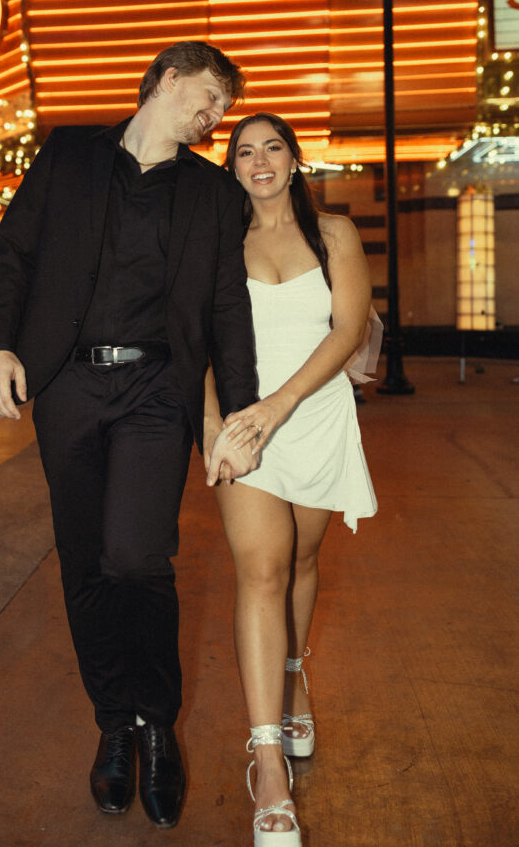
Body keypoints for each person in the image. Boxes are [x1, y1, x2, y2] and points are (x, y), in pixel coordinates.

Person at [0, 42, 258, 830]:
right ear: (166, 79)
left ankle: (157, 723)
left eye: (221, 111)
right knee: (84, 562)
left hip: (153, 392)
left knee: (137, 557)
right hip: (66, 385)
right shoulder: (68, 152)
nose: (213, 119)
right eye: (207, 99)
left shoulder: (211, 194)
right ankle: (113, 723)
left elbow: (226, 310)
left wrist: (237, 415)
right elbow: (16, 252)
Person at [206, 113, 378, 846]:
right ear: (234, 170)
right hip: (245, 429)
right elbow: (198, 343)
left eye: (271, 147)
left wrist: (283, 404)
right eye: (244, 152)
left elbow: (347, 328)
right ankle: (267, 761)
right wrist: (216, 428)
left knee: (304, 561)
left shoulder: (332, 233)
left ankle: (294, 676)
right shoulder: (218, 244)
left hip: (312, 417)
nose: (259, 160)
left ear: (294, 159)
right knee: (262, 569)